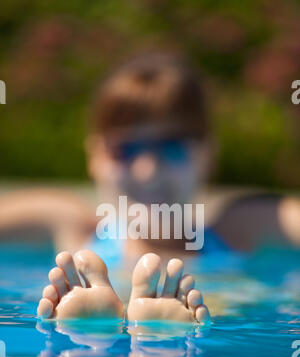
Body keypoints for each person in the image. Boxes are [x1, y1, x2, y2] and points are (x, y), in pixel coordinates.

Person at [0, 53, 299, 321]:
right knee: (219, 304)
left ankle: (96, 332)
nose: (148, 170)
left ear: (207, 154)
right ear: (94, 156)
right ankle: (141, 329)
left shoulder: (242, 226)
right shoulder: (72, 227)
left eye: (172, 147)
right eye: (124, 149)